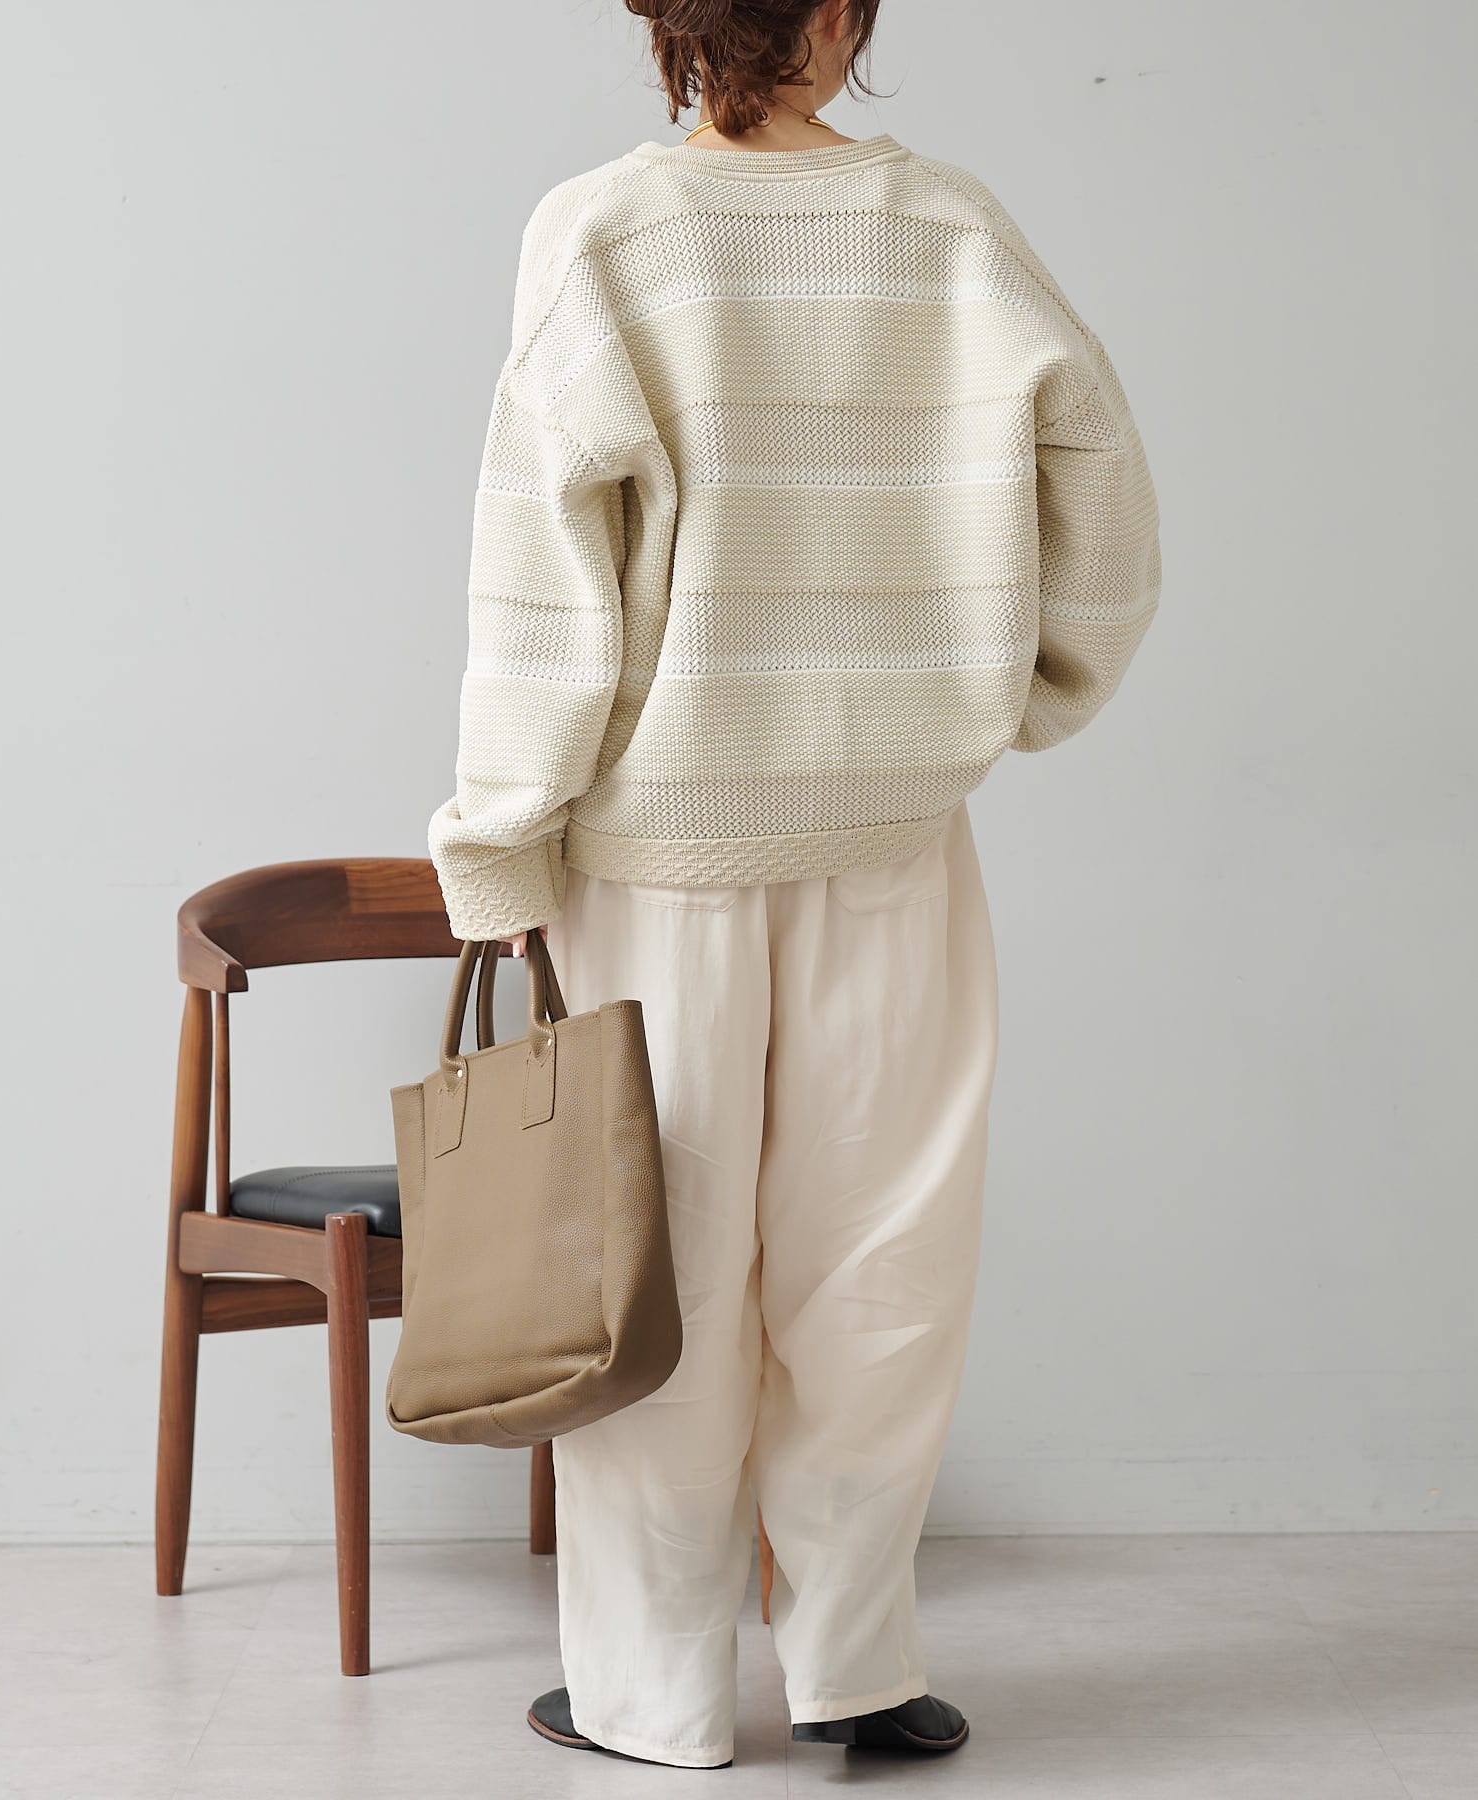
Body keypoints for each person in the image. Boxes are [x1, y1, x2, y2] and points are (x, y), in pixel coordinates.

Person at [426, 0, 1161, 1770]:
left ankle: (653, 1699)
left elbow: (544, 569)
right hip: (895, 838)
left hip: (652, 858)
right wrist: (1025, 687)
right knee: (882, 1268)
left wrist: (501, 836)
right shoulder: (952, 229)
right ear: (840, 16)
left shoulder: (608, 231)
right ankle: (856, 1669)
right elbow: (1105, 495)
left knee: (648, 1269)